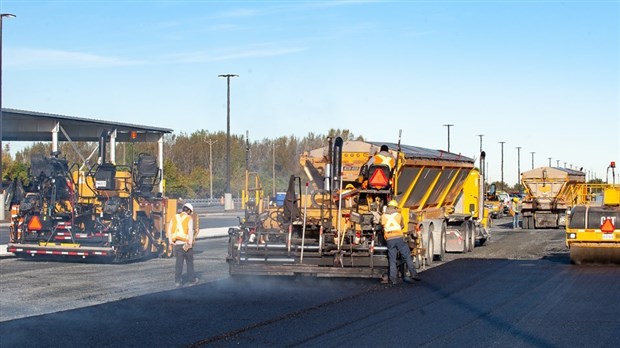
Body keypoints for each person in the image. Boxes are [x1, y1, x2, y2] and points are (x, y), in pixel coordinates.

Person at [381, 200, 421, 285]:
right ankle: (414, 274)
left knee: (392, 260)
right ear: (395, 207)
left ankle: (393, 280)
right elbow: (402, 226)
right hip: (399, 239)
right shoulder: (399, 215)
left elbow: (382, 226)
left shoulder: (383, 216)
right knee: (406, 256)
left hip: (389, 240)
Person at [168, 202, 198, 287]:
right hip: (186, 244)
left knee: (179, 264)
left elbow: (169, 230)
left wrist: (170, 241)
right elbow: (190, 232)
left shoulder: (175, 217)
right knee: (189, 263)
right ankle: (192, 280)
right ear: (188, 211)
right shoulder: (189, 218)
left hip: (177, 244)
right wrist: (190, 243)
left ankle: (177, 281)